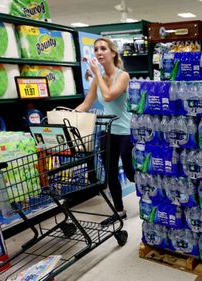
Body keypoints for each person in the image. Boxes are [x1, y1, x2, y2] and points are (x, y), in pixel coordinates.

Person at [76, 37, 134, 225]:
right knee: (110, 174)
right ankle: (119, 211)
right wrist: (65, 114)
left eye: (103, 48)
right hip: (107, 131)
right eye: (96, 49)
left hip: (125, 131)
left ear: (113, 53)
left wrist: (97, 75)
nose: (99, 52)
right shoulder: (97, 80)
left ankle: (151, 197)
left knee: (131, 173)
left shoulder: (123, 76)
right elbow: (86, 104)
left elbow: (108, 96)